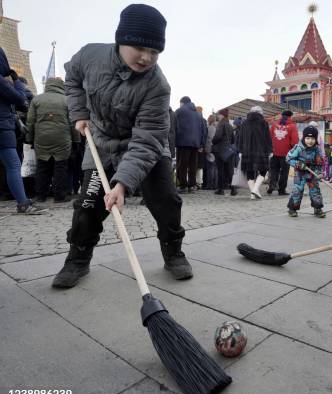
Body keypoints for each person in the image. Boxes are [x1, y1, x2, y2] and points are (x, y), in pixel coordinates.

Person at [52, 4, 193, 288]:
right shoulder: (90, 55)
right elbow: (72, 78)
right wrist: (79, 113)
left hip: (145, 145)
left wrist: (122, 185)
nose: (146, 57)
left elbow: (148, 139)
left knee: (165, 199)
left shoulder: (158, 86)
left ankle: (173, 251)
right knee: (88, 205)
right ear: (121, 40)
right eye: (140, 48)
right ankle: (77, 258)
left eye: (155, 52)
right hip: (101, 144)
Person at [0, 47, 43, 214]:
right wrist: (16, 81)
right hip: (2, 126)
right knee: (13, 165)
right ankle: (23, 203)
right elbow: (20, 98)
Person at [26, 77, 79, 203]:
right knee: (60, 166)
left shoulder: (37, 99)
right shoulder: (67, 100)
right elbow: (72, 123)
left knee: (43, 166)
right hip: (62, 137)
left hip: (41, 138)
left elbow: (30, 122)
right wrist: (76, 140)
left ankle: (40, 195)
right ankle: (60, 196)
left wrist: (29, 139)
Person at [286, 125, 325, 218]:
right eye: (307, 138)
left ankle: (318, 209)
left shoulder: (317, 149)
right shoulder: (298, 147)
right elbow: (288, 158)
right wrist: (298, 164)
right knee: (297, 191)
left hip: (312, 173)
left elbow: (320, 162)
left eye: (312, 138)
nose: (310, 141)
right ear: (304, 137)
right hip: (300, 173)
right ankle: (292, 209)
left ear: (316, 139)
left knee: (315, 191)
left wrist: (319, 173)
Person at [237, 106, 272, 199]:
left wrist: (240, 150)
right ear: (261, 113)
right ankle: (255, 190)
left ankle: (253, 193)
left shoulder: (244, 123)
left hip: (246, 151)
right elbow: (267, 138)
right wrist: (270, 150)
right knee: (263, 171)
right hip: (261, 151)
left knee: (249, 172)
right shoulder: (263, 123)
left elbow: (240, 138)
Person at [175, 96, 206, 194]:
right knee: (193, 165)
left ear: (182, 102)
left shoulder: (179, 111)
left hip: (183, 142)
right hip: (195, 143)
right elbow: (203, 130)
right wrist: (201, 143)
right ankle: (192, 185)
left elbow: (174, 125)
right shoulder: (198, 114)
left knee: (182, 165)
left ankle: (183, 185)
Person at [268, 110, 297, 195]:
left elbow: (269, 137)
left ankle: (272, 185)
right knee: (284, 172)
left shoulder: (274, 125)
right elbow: (294, 142)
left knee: (273, 170)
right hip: (286, 153)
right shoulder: (292, 126)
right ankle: (281, 189)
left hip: (274, 152)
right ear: (290, 116)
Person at [211, 108, 235, 195]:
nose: (217, 116)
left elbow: (218, 136)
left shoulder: (221, 124)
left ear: (222, 115)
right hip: (228, 150)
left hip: (220, 150)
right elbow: (233, 139)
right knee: (229, 170)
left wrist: (212, 141)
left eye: (218, 114)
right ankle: (233, 189)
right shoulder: (229, 125)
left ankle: (220, 189)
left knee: (220, 170)